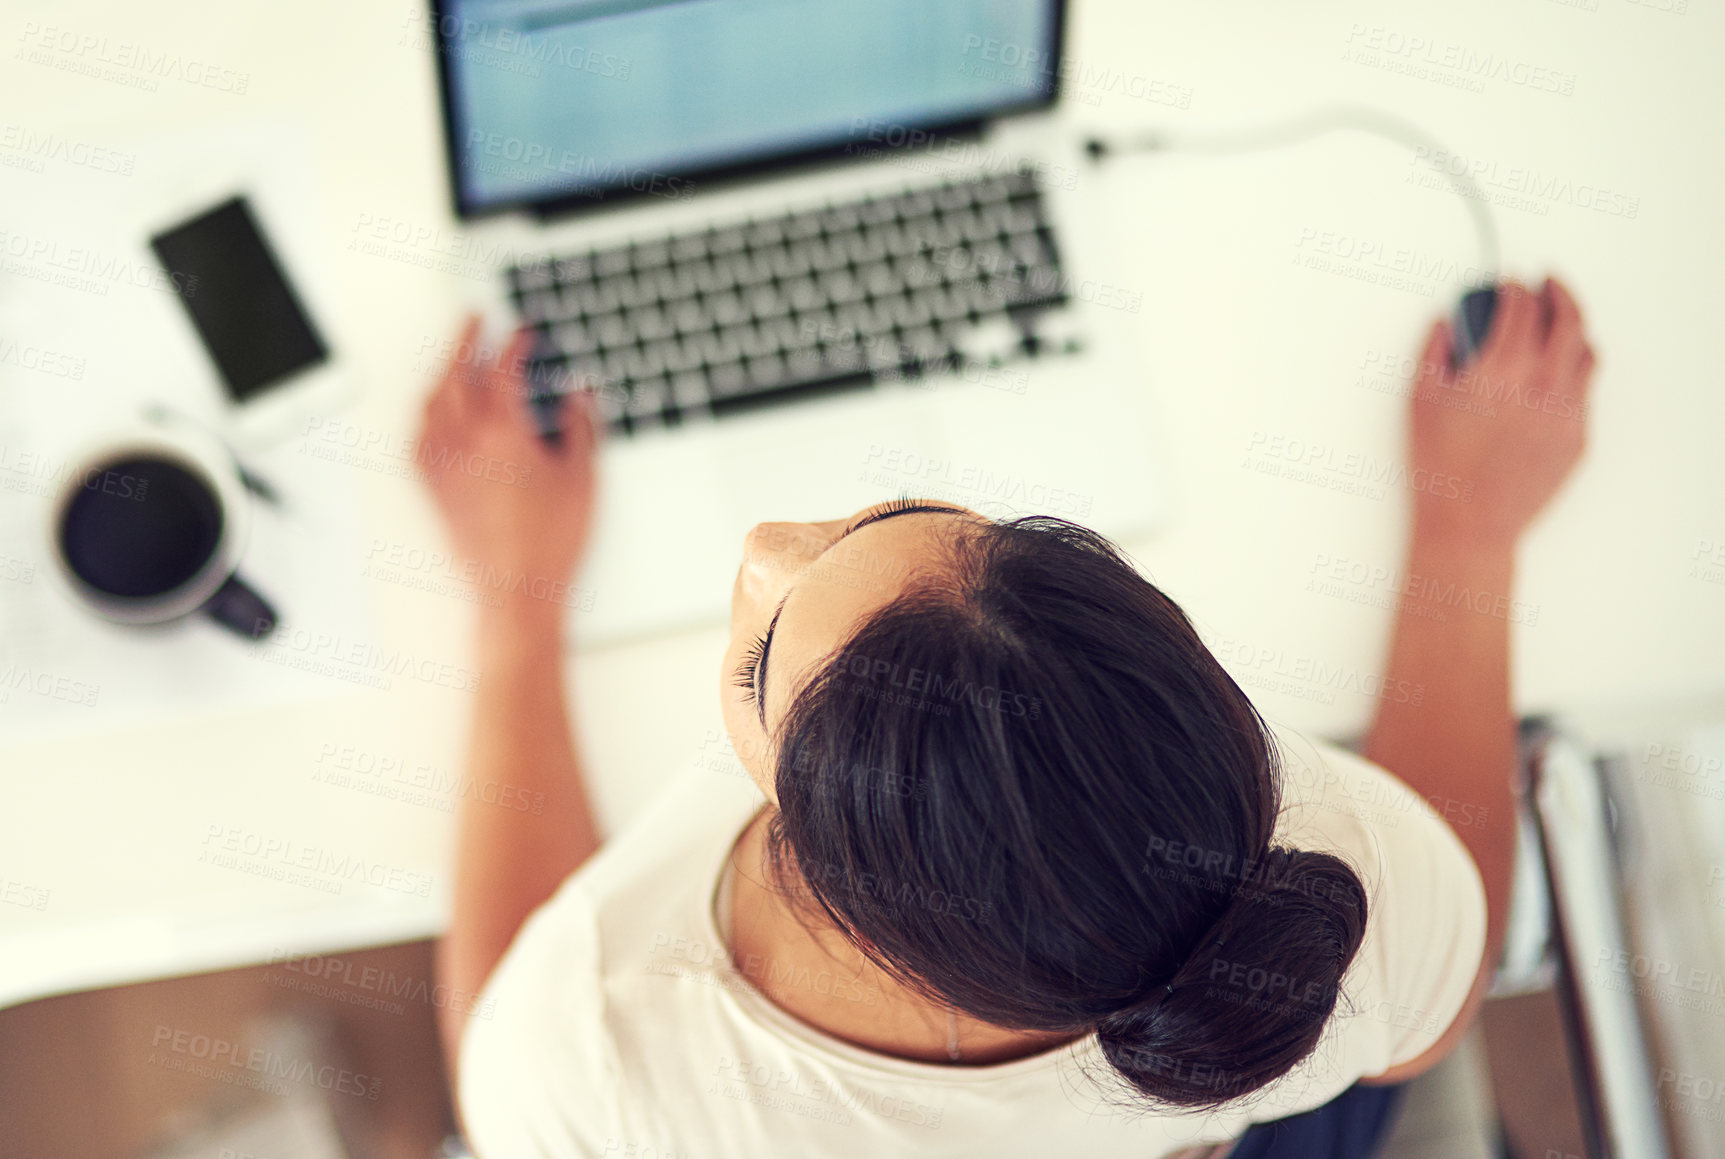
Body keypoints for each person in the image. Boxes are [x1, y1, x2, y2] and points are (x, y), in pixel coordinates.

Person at [417, 278, 1595, 1157]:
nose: (764, 546)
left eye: (762, 662)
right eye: (894, 516)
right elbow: (1429, 1004)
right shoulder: (1349, 894)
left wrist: (514, 601)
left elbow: (514, 1040)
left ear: (835, 887)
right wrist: (1469, 531)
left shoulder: (593, 1055)